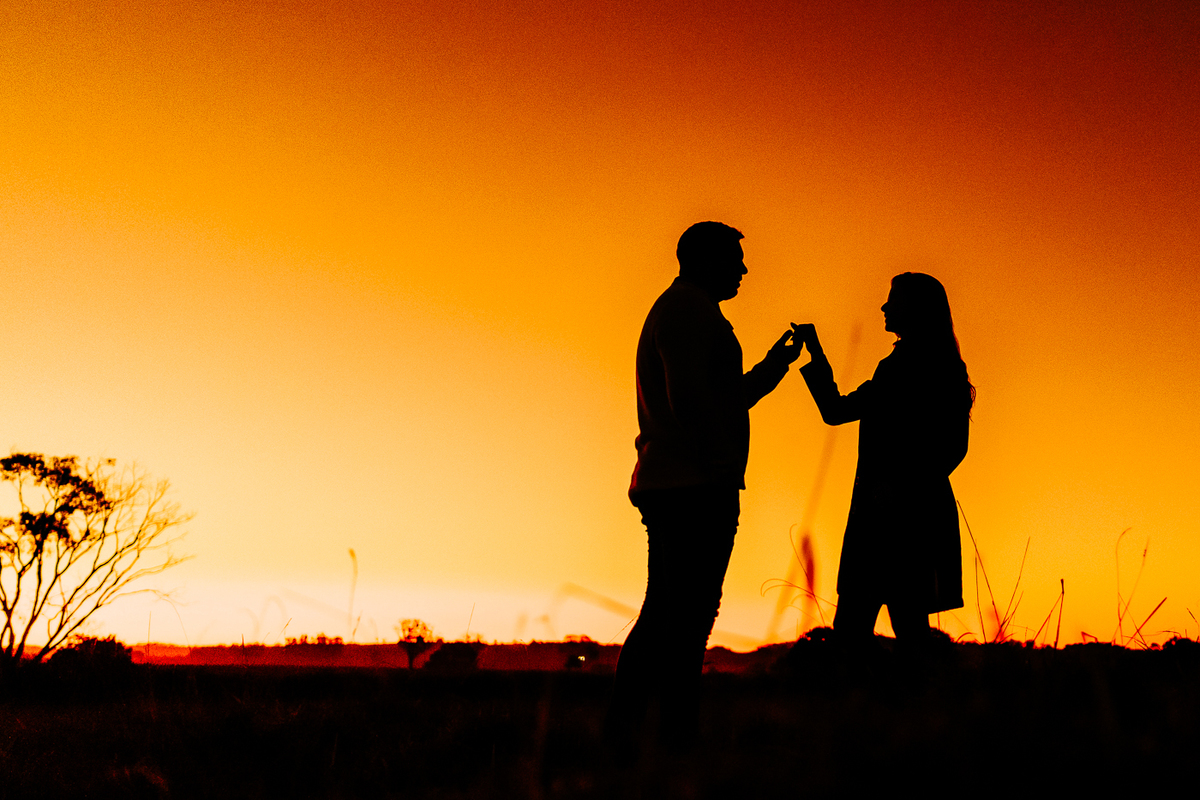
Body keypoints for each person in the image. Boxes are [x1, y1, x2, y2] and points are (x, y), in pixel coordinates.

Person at [606, 221, 801, 750]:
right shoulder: (689, 310)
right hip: (691, 486)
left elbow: (719, 397)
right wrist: (716, 464)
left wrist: (771, 368)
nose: (743, 269)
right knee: (688, 616)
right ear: (705, 260)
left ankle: (634, 734)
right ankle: (673, 739)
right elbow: (690, 400)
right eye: (734, 259)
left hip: (675, 481)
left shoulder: (685, 309)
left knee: (668, 610)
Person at [794, 273, 974, 645]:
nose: (885, 307)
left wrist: (899, 490)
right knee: (881, 625)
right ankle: (903, 698)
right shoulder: (896, 366)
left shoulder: (933, 368)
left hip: (907, 519)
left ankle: (890, 699)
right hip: (879, 516)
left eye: (894, 300)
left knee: (886, 626)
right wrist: (816, 354)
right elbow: (836, 409)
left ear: (918, 309)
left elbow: (953, 447)